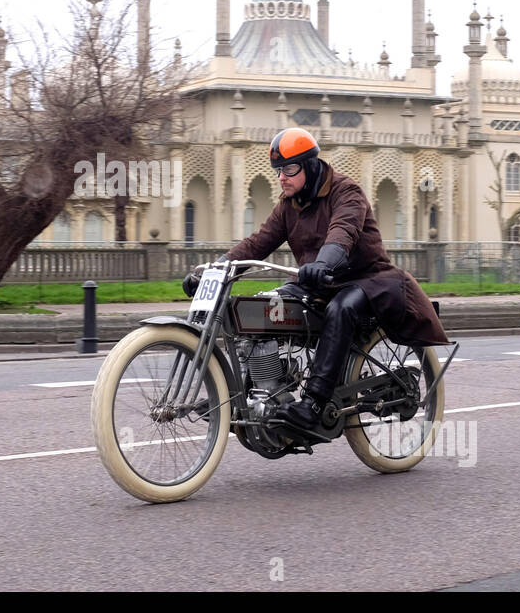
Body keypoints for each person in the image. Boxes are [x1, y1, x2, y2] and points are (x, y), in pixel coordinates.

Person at [183, 127, 448, 432]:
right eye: (278, 170)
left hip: (367, 279)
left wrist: (324, 262)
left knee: (341, 309)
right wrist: (214, 270)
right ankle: (250, 392)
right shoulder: (288, 204)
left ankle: (313, 404)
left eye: (289, 169)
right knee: (262, 308)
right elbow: (257, 243)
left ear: (309, 165)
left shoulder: (345, 192)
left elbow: (343, 231)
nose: (282, 177)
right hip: (319, 281)